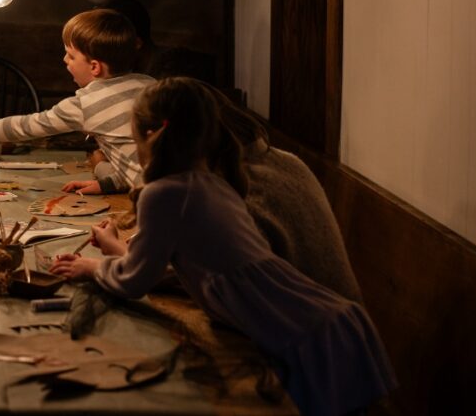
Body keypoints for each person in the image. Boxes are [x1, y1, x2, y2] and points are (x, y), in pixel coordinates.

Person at [51, 78, 396, 416]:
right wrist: (122, 250)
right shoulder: (219, 181)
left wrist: (92, 267)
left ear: (148, 135)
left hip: (308, 337)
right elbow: (195, 259)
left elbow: (138, 280)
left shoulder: (168, 192)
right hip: (327, 321)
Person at [0, 8, 155, 195]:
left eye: (71, 55)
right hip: (177, 188)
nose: (64, 60)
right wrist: (106, 184)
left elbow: (30, 126)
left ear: (94, 67)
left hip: (155, 201)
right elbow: (137, 162)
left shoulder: (85, 104)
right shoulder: (150, 85)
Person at [207, 85, 363, 302]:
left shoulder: (244, 191)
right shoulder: (283, 159)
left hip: (317, 329)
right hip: (344, 321)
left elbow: (243, 293)